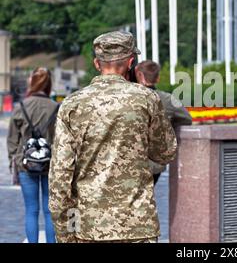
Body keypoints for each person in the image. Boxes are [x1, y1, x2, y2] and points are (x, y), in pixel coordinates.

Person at [49, 31, 177, 243]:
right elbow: (166, 152)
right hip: (137, 225)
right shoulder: (147, 99)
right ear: (130, 62)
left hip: (88, 227)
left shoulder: (73, 104)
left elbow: (60, 175)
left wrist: (65, 233)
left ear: (97, 64)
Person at [7, 67, 58, 243]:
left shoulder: (21, 107)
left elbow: (13, 140)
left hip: (26, 164)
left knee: (31, 210)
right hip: (50, 164)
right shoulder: (56, 107)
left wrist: (13, 161)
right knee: (50, 210)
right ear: (49, 84)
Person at [135, 60, 192, 184]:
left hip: (128, 161)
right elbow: (187, 119)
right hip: (154, 163)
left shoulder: (127, 97)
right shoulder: (168, 99)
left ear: (138, 75)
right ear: (158, 78)